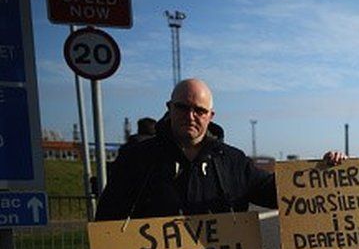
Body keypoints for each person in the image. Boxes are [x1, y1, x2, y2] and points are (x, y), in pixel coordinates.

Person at [95, 78, 344, 221]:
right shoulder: (137, 159)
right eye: (182, 107)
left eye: (199, 111)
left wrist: (322, 173)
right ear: (169, 107)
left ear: (210, 115)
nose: (190, 116)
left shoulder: (232, 161)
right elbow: (107, 220)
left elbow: (279, 192)